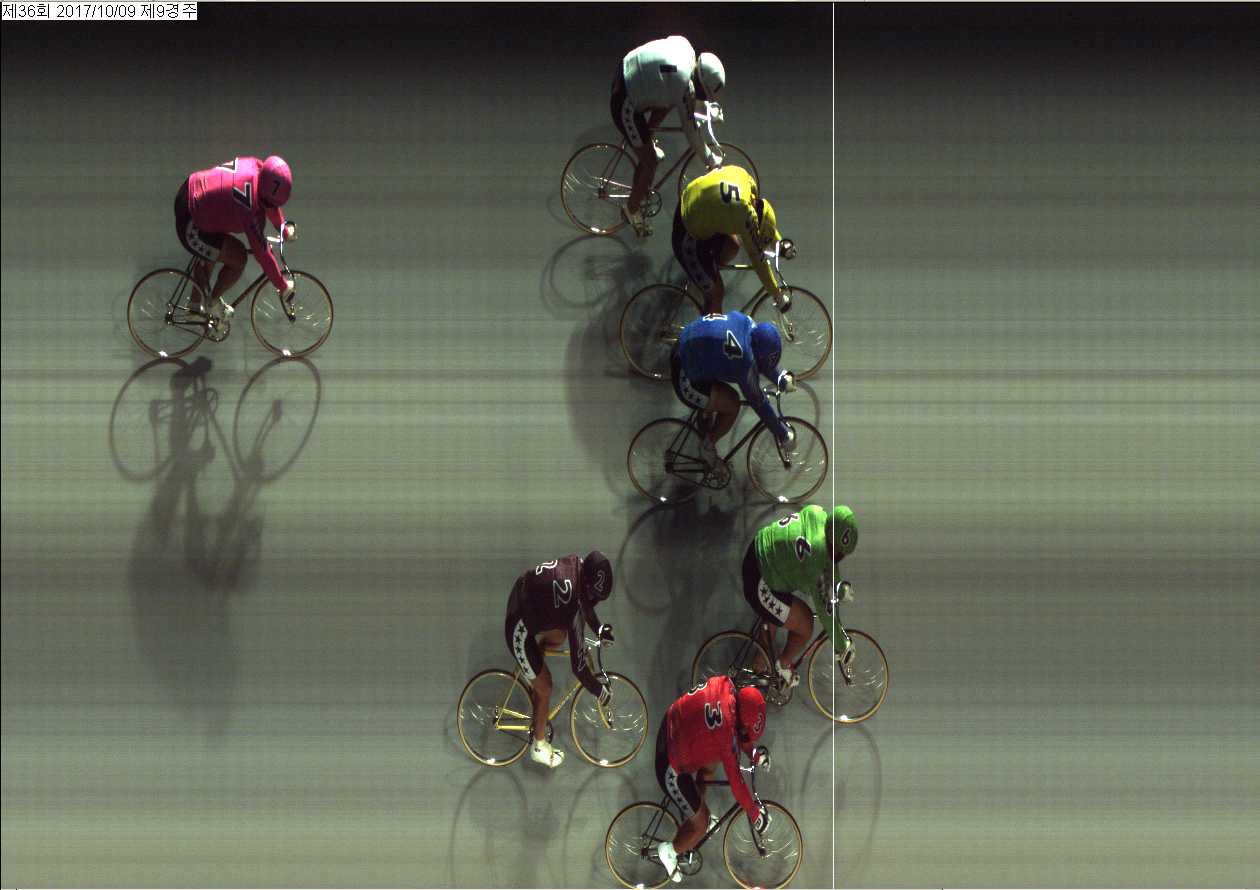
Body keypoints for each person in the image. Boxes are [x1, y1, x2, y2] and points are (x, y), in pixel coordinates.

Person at [503, 551, 615, 768]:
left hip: (521, 595)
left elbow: (583, 603)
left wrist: (599, 629)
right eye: (595, 597)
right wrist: (599, 691)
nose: (595, 602)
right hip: (518, 628)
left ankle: (534, 668)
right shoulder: (573, 604)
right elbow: (578, 668)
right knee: (546, 688)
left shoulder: (578, 565)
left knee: (560, 635)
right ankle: (538, 747)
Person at [655, 675, 770, 883]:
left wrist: (754, 755)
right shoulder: (726, 734)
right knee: (702, 823)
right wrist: (755, 814)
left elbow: (739, 728)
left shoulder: (727, 684)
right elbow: (736, 782)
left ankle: (694, 811)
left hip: (672, 723)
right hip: (669, 765)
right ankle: (669, 851)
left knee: (711, 764)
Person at [612, 35, 725, 237]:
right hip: (624, 103)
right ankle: (631, 209)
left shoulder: (687, 48)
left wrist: (706, 109)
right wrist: (710, 159)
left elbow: (687, 97)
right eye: (703, 94)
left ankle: (646, 138)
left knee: (670, 99)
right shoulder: (682, 83)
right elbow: (691, 131)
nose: (701, 97)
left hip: (626, 70)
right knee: (650, 162)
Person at [744, 505, 860, 688]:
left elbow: (829, 562)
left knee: (774, 621)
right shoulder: (817, 557)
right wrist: (841, 645)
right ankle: (782, 666)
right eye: (839, 552)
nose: (840, 557)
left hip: (761, 553)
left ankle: (758, 667)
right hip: (760, 582)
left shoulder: (818, 513)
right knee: (805, 624)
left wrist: (838, 587)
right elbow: (825, 611)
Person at [672, 310, 795, 477]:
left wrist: (780, 379)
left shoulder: (747, 322)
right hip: (685, 377)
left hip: (688, 344)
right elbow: (758, 402)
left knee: (721, 393)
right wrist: (782, 434)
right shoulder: (744, 361)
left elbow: (761, 361)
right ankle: (707, 448)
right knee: (732, 404)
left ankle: (706, 417)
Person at [174, 155, 296, 317]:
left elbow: (269, 203)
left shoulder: (258, 166)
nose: (272, 207)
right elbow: (261, 253)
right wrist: (282, 285)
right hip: (191, 222)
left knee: (216, 249)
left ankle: (195, 305)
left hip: (192, 188)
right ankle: (213, 303)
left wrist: (282, 228)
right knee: (238, 257)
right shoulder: (248, 205)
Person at [674, 164, 793, 315]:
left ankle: (707, 274)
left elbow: (765, 221)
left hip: (693, 199)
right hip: (686, 232)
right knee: (717, 294)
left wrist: (779, 243)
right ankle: (709, 303)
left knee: (733, 245)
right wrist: (777, 294)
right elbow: (758, 259)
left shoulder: (747, 180)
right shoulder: (746, 216)